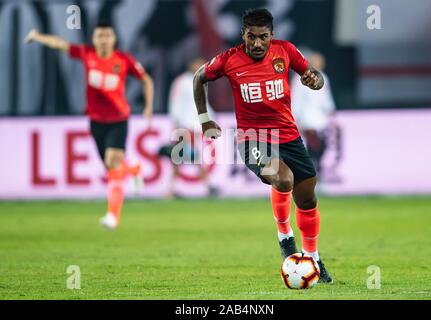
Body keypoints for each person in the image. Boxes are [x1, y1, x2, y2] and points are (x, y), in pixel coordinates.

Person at [193, 8, 333, 283]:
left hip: (289, 135)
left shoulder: (286, 51)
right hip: (252, 138)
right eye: (251, 37)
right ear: (243, 34)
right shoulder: (229, 59)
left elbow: (316, 76)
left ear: (272, 35)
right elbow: (199, 77)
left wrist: (315, 81)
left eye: (263, 37)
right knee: (283, 178)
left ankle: (313, 258)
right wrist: (204, 120)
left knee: (308, 198)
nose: (257, 43)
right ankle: (285, 238)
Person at [24, 21, 154, 230]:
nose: (103, 40)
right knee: (112, 168)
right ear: (94, 39)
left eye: (107, 36)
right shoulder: (87, 54)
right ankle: (135, 169)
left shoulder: (123, 59)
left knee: (112, 164)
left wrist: (148, 107)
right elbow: (60, 44)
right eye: (99, 36)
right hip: (96, 121)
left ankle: (112, 216)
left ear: (113, 39)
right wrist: (38, 36)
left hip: (119, 119)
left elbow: (146, 80)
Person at [159, 57, 217, 198]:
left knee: (189, 157)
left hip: (196, 126)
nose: (199, 66)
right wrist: (176, 122)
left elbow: (204, 104)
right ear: (190, 65)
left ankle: (171, 190)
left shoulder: (202, 81)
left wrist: (212, 119)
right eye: (197, 63)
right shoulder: (181, 81)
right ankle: (206, 186)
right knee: (183, 157)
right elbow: (175, 102)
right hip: (184, 125)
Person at [290, 51, 338, 178]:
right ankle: (310, 173)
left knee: (322, 146)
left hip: (320, 120)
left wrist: (331, 111)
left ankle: (315, 170)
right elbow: (296, 100)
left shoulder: (324, 78)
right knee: (311, 146)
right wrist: (295, 118)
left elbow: (326, 98)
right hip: (307, 119)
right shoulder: (301, 78)